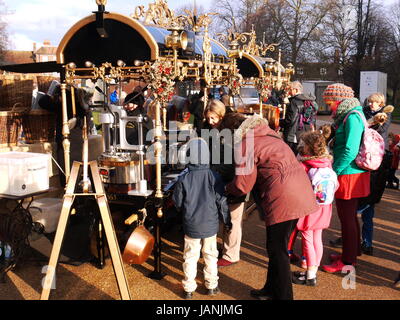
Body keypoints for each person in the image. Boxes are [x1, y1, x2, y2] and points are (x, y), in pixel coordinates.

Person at [221, 113, 319, 300]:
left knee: (278, 250)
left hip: (283, 197)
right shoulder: (268, 134)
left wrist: (225, 187)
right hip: (299, 191)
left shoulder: (245, 145)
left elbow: (242, 185)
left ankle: (283, 296)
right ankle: (270, 289)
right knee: (276, 247)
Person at [172, 138, 231, 299]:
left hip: (191, 224)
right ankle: (211, 286)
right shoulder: (214, 176)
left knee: (190, 256)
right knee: (210, 255)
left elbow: (177, 202)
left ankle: (188, 288)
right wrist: (227, 221)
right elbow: (222, 201)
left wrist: (183, 212)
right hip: (210, 224)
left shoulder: (184, 178)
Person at [321, 83, 370, 273]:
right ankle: (352, 252)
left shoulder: (352, 118)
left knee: (346, 218)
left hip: (349, 174)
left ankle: (348, 261)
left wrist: (335, 170)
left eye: (330, 101)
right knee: (349, 217)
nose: (328, 105)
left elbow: (350, 149)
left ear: (339, 100)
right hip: (350, 172)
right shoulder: (351, 115)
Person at [292, 131, 338, 286]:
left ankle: (310, 276)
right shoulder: (327, 162)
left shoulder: (305, 165)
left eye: (303, 143)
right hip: (325, 207)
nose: (301, 146)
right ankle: (313, 270)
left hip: (309, 208)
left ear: (309, 148)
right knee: (317, 239)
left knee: (307, 240)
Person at [203, 100, 245, 267]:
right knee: (227, 216)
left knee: (233, 218)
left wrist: (215, 171)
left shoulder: (229, 133)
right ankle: (225, 249)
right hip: (221, 177)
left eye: (213, 118)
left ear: (221, 115)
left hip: (232, 179)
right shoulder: (214, 131)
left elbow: (229, 161)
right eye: (208, 118)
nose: (210, 122)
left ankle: (231, 255)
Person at [280, 81, 318, 155]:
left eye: (291, 89)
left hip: (293, 135)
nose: (289, 92)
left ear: (296, 90)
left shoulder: (294, 101)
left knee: (291, 156)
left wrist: (280, 122)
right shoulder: (310, 101)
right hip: (306, 134)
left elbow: (290, 120)